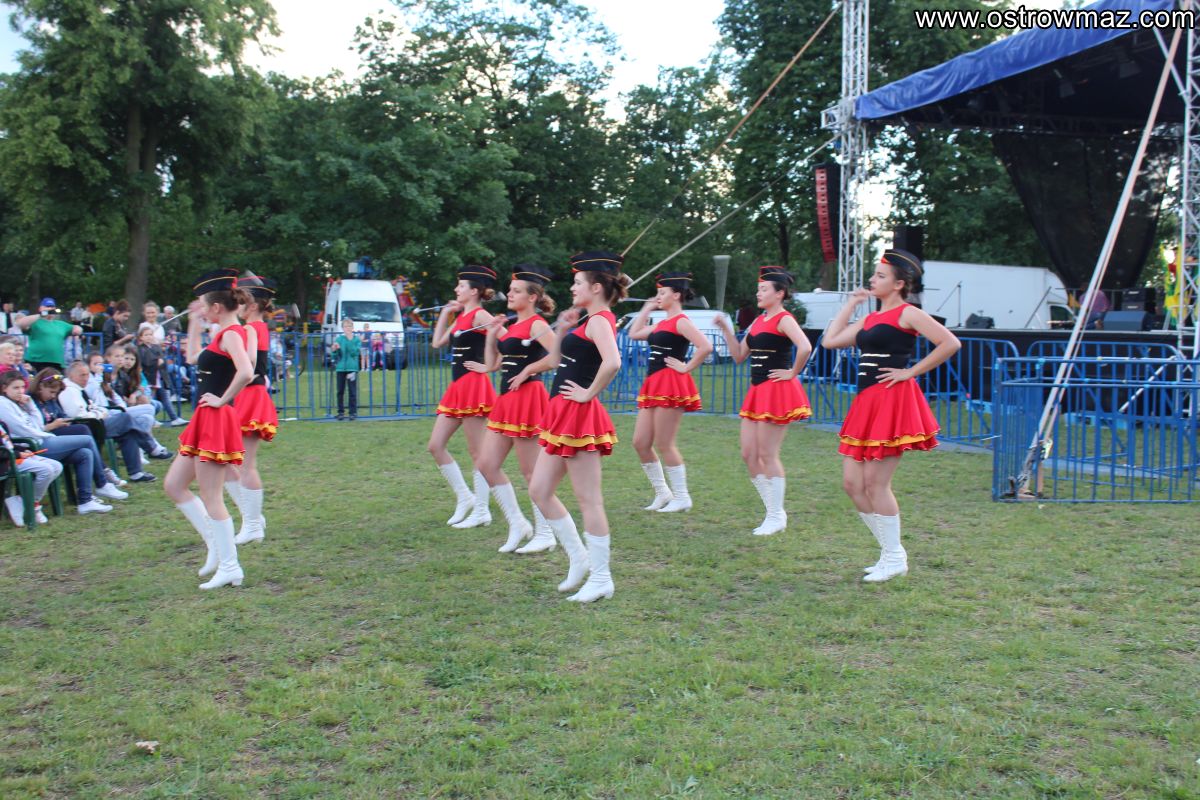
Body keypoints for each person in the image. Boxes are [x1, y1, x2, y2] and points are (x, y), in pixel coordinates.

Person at [821, 248, 961, 583]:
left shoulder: (909, 313)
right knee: (852, 484)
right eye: (874, 274)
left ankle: (894, 557)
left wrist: (910, 371)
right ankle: (890, 553)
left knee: (875, 483)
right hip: (866, 401)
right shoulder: (870, 318)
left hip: (891, 401)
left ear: (899, 284)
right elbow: (830, 341)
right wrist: (851, 305)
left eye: (880, 276)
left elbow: (950, 343)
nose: (873, 280)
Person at [527, 251, 628, 604]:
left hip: (579, 415)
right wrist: (563, 328)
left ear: (596, 287)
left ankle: (601, 578)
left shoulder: (600, 320)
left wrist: (588, 393)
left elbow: (613, 362)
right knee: (539, 490)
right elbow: (557, 360)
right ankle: (579, 558)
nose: (572, 288)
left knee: (589, 500)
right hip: (562, 412)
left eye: (577, 283)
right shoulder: (588, 320)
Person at [163, 269, 254, 590]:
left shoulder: (231, 334)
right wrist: (193, 323)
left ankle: (230, 566)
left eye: (203, 305)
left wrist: (222, 400)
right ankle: (216, 545)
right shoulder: (223, 333)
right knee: (174, 485)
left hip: (215, 417)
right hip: (205, 417)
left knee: (211, 496)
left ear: (216, 307)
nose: (200, 309)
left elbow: (246, 372)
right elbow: (192, 357)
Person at [714, 266, 813, 537]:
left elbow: (805, 346)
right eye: (758, 289)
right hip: (757, 391)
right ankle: (773, 511)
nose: (758, 293)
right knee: (749, 454)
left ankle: (775, 515)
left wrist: (793, 372)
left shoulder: (784, 319)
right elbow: (738, 355)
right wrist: (726, 329)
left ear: (779, 293)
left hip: (776, 391)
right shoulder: (759, 321)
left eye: (764, 289)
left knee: (767, 454)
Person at [469, 264, 557, 552]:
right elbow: (493, 364)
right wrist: (492, 335)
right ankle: (518, 523)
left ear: (532, 297)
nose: (509, 294)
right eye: (510, 290)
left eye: (516, 291)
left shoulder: (537, 325)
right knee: (486, 464)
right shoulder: (512, 326)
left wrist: (529, 369)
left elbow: (557, 357)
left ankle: (546, 533)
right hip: (506, 399)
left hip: (528, 397)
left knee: (531, 472)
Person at [627, 272, 712, 513]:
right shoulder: (662, 323)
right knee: (640, 442)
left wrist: (686, 367)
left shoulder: (681, 321)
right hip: (654, 383)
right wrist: (646, 308)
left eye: (662, 293)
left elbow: (705, 346)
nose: (658, 297)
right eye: (657, 293)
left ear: (676, 295)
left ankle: (682, 497)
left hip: (671, 384)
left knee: (665, 443)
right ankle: (663, 492)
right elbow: (634, 333)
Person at [427, 265, 498, 527]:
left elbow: (507, 340)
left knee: (477, 452)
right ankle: (465, 497)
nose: (456, 289)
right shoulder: (462, 316)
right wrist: (446, 313)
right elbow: (437, 343)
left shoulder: (481, 315)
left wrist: (489, 366)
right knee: (435, 446)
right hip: (457, 387)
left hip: (474, 386)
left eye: (461, 286)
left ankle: (482, 510)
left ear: (474, 291)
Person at [0, 371, 127, 514]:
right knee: (86, 439)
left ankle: (85, 501)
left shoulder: (19, 403)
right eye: (15, 388)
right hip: (31, 445)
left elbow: (38, 424)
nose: (20, 391)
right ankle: (102, 483)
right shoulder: (3, 404)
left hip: (41, 439)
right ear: (4, 388)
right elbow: (24, 430)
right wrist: (47, 434)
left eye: (22, 387)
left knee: (84, 453)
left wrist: (30, 405)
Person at [225, 275, 279, 546]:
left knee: (245, 465)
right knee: (231, 463)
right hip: (247, 396)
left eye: (243, 301)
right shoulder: (255, 327)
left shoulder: (252, 329)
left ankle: (254, 524)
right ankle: (252, 517)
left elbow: (249, 366)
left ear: (254, 305)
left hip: (250, 397)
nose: (238, 305)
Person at [56, 362, 155, 483]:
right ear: (71, 376)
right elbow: (78, 415)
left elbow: (94, 407)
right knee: (125, 418)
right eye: (82, 375)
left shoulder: (78, 389)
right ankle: (150, 446)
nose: (86, 378)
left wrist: (100, 412)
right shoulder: (68, 391)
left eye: (87, 375)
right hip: (90, 427)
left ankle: (136, 473)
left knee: (127, 430)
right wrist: (99, 414)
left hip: (96, 422)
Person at [1, 419, 63, 527]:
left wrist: (23, 450)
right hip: (5, 463)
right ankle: (33, 505)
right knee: (46, 470)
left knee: (57, 466)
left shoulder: (2, 424)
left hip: (14, 457)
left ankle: (22, 501)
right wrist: (18, 454)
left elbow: (9, 445)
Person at [136, 326, 187, 425]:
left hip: (160, 377)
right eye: (146, 335)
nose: (149, 337)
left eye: (150, 334)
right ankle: (152, 419)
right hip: (149, 377)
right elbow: (146, 362)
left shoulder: (156, 347)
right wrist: (157, 361)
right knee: (150, 399)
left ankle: (174, 418)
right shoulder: (140, 349)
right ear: (141, 337)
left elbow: (163, 359)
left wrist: (160, 359)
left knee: (166, 398)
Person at [15, 298, 83, 371]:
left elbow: (77, 329)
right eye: (47, 306)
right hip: (36, 362)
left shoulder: (61, 324)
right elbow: (20, 324)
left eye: (52, 307)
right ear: (40, 308)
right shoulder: (35, 322)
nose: (50, 308)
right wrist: (42, 314)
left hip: (56, 362)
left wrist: (78, 329)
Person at [330, 318, 361, 420]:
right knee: (340, 391)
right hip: (341, 368)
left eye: (349, 326)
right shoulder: (339, 339)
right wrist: (334, 350)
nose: (347, 328)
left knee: (352, 391)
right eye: (345, 326)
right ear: (342, 328)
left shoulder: (356, 340)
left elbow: (354, 353)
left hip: (352, 368)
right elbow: (335, 355)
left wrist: (350, 340)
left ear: (352, 328)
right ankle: (341, 412)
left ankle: (353, 412)